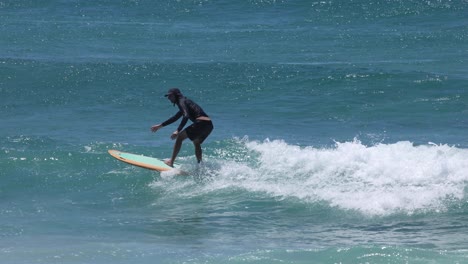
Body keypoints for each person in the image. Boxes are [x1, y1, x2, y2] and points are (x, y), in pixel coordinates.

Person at [151, 88, 214, 167]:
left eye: (170, 96)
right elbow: (176, 117)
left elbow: (186, 116)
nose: (168, 98)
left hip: (201, 123)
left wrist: (178, 130)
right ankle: (200, 165)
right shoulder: (185, 102)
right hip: (209, 125)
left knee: (180, 137)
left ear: (176, 95)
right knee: (196, 142)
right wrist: (161, 125)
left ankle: (171, 162)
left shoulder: (181, 101)